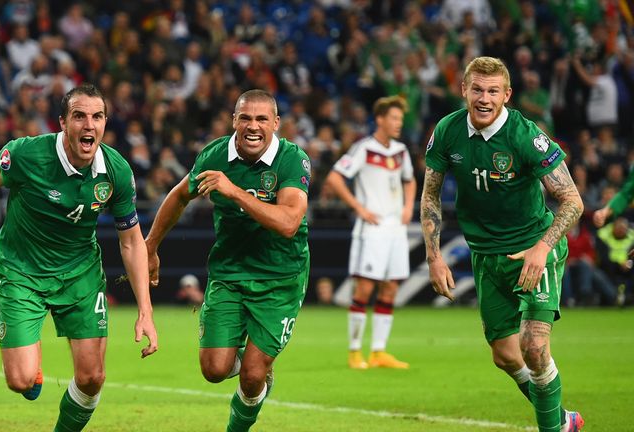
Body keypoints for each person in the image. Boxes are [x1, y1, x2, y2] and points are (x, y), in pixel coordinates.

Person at [0, 84, 158, 432]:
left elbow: (131, 242)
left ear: (106, 123)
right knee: (20, 381)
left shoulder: (117, 171)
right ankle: (28, 362)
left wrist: (145, 310)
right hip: (22, 272)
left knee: (92, 377)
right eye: (79, 116)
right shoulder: (25, 154)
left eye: (97, 117)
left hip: (80, 274)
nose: (88, 125)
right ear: (63, 122)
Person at [420, 57, 585, 432]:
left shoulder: (525, 135)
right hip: (485, 254)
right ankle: (563, 419)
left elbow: (573, 200)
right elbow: (430, 195)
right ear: (464, 89)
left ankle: (553, 429)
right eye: (477, 89)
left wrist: (543, 248)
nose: (484, 98)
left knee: (534, 346)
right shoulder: (447, 130)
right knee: (506, 356)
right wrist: (434, 257)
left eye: (493, 91)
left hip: (532, 248)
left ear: (507, 95)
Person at [145, 89, 310, 432]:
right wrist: (150, 245)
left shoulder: (292, 159)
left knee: (251, 377)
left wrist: (233, 190)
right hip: (230, 272)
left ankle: (243, 412)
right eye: (245, 118)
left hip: (281, 278)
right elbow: (179, 195)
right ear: (234, 120)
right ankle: (255, 365)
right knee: (214, 369)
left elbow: (289, 222)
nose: (253, 126)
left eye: (262, 119)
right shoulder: (215, 156)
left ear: (275, 124)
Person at [323, 95, 415, 370]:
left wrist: (409, 206)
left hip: (395, 228)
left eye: (400, 118)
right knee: (364, 288)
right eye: (395, 118)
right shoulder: (363, 148)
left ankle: (378, 352)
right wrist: (358, 208)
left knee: (390, 288)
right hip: (371, 229)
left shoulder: (400, 151)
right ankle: (354, 352)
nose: (399, 123)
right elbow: (334, 177)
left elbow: (409, 181)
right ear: (381, 120)